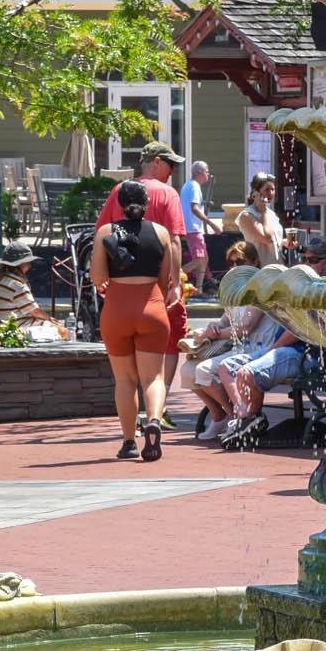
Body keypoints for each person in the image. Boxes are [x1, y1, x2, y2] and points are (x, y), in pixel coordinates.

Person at [95, 141, 188, 418]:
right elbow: (173, 240)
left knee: (124, 376)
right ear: (156, 162)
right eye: (170, 164)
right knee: (164, 353)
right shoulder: (168, 193)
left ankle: (129, 432)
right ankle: (160, 410)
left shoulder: (118, 191)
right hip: (154, 292)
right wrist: (175, 283)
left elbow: (102, 234)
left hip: (119, 296)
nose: (173, 171)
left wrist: (103, 282)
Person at [217, 238, 326, 447]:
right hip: (284, 350)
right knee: (227, 366)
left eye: (315, 260)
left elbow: (299, 331)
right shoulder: (301, 282)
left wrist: (272, 349)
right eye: (305, 259)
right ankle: (248, 422)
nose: (308, 264)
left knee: (247, 373)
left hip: (306, 356)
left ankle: (249, 425)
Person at [92, 178, 179, 461]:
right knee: (152, 376)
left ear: (119, 204)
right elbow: (166, 279)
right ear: (147, 203)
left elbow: (97, 277)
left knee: (125, 379)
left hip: (117, 308)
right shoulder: (162, 233)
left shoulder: (106, 231)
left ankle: (129, 442)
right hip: (152, 306)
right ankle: (153, 419)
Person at [183, 244, 269, 439]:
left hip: (257, 348)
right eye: (231, 263)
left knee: (203, 370)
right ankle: (219, 415)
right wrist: (213, 327)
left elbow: (246, 328)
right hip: (239, 348)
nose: (234, 267)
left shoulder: (260, 290)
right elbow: (225, 320)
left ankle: (235, 418)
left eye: (239, 262)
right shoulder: (236, 289)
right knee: (187, 371)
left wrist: (216, 335)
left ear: (254, 262)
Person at [0, 242, 66, 340]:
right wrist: (49, 318)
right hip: (16, 328)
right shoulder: (17, 285)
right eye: (28, 262)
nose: (30, 266)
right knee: (62, 331)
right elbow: (34, 311)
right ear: (21, 264)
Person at [237, 171, 283, 268]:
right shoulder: (247, 216)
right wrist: (263, 211)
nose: (270, 193)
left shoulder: (271, 213)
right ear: (255, 192)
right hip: (260, 271)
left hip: (277, 268)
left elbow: (272, 240)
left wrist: (285, 242)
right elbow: (267, 239)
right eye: (266, 189)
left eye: (272, 189)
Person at [181, 161, 213, 294]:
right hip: (193, 228)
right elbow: (194, 208)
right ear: (200, 172)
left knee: (204, 258)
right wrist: (211, 223)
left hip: (191, 227)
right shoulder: (194, 187)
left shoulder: (188, 185)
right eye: (207, 171)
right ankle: (175, 276)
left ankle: (199, 290)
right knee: (199, 259)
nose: (208, 174)